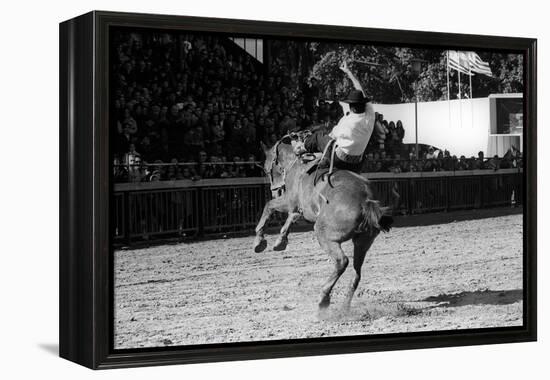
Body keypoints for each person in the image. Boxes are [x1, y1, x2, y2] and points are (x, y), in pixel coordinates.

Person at [294, 60, 375, 173]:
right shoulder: (370, 116)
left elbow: (332, 136)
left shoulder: (346, 121)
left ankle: (301, 148)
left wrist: (348, 72)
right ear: (364, 104)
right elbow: (361, 90)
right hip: (357, 163)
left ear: (350, 106)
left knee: (319, 137)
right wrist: (349, 72)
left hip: (340, 159)